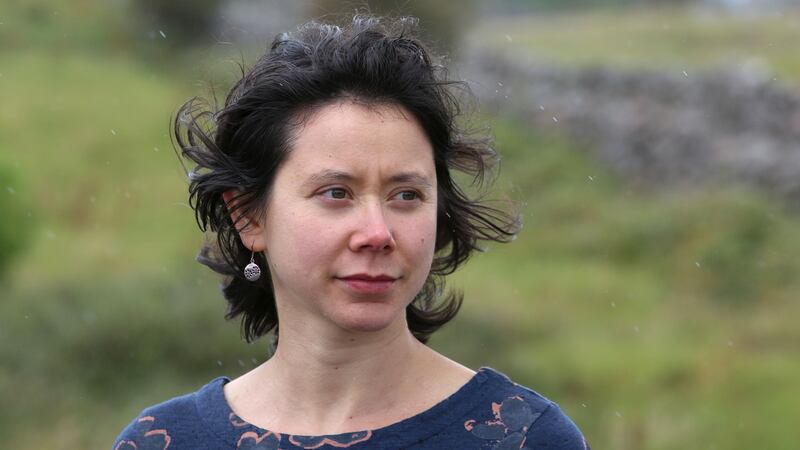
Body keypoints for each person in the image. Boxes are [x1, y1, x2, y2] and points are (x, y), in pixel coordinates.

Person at [112, 15, 590, 450]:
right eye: (336, 193)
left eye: (407, 195)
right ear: (248, 217)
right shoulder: (164, 441)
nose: (377, 233)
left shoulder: (525, 437)